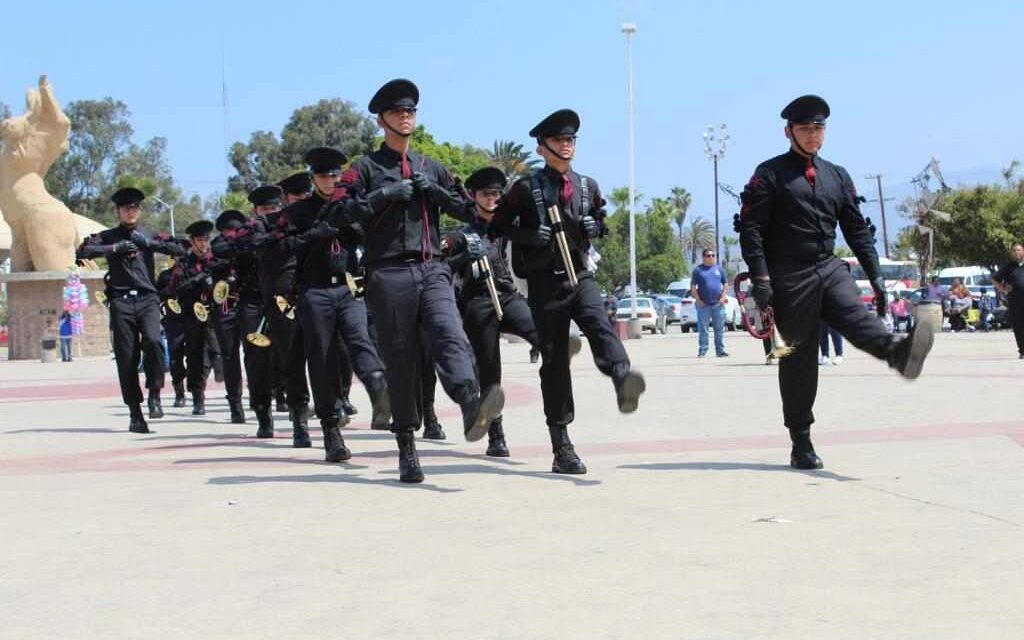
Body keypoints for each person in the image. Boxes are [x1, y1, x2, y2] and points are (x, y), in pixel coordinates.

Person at [738, 94, 934, 470]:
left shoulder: (837, 175)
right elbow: (752, 230)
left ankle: (900, 354)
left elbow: (856, 229)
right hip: (788, 273)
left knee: (856, 317)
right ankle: (801, 441)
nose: (813, 135)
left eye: (818, 128)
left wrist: (875, 275)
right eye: (805, 128)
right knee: (797, 359)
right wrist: (761, 277)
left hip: (828, 266)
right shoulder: (769, 174)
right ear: (788, 131)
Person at [336, 79, 504, 483]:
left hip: (433, 268)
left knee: (450, 334)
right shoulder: (363, 169)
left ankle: (470, 403)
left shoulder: (433, 168)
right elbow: (339, 214)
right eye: (397, 112)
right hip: (388, 272)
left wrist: (438, 194)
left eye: (411, 111)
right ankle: (407, 448)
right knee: (401, 359)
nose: (405, 117)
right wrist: (383, 195)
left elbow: (471, 211)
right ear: (381, 121)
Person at [492, 108, 645, 475]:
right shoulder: (526, 188)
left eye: (571, 139)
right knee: (555, 361)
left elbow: (601, 222)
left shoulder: (587, 185)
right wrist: (528, 235)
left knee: (600, 326)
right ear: (542, 147)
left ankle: (623, 376)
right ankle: (561, 445)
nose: (567, 145)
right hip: (545, 284)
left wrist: (595, 225)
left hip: (580, 276)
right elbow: (497, 226)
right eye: (560, 140)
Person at [280, 146, 391, 462]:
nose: (330, 180)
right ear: (313, 178)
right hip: (313, 292)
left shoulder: (350, 205)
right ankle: (331, 431)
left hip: (347, 286)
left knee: (361, 339)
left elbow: (369, 232)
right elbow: (282, 246)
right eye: (323, 175)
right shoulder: (297, 213)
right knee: (322, 359)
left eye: (334, 175)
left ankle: (379, 390)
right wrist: (313, 234)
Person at [444, 166, 545, 457]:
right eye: (486, 194)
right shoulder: (462, 233)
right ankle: (496, 435)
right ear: (474, 197)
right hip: (477, 302)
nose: (492, 199)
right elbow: (441, 264)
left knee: (539, 329)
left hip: (506, 294)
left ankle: (549, 354)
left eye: (497, 194)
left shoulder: (507, 226)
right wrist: (463, 256)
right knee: (490, 373)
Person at [76, 187, 186, 432]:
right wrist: (114, 249)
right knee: (127, 358)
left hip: (148, 299)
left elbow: (180, 248)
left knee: (155, 343)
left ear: (140, 209)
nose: (131, 211)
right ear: (118, 211)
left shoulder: (148, 233)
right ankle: (135, 413)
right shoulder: (109, 235)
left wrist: (149, 243)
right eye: (126, 208)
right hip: (121, 302)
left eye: (135, 207)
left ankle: (155, 394)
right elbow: (82, 252)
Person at [211, 202, 275, 435]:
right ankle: (236, 404)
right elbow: (218, 252)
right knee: (230, 356)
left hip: (260, 300)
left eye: (235, 229)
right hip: (229, 307)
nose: (231, 233)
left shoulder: (260, 237)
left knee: (262, 354)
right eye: (228, 230)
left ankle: (274, 398)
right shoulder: (223, 244)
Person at [167, 220, 221, 416]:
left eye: (207, 239)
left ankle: (233, 398)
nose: (204, 243)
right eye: (200, 239)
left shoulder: (215, 260)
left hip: (214, 315)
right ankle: (198, 397)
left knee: (218, 353)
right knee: (196, 358)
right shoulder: (183, 265)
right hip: (192, 317)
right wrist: (197, 279)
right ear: (192, 241)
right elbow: (175, 290)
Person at [690, 248, 729, 357]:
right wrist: (699, 300)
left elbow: (726, 284)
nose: (711, 257)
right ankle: (703, 351)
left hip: (718, 304)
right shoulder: (698, 270)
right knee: (703, 329)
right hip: (704, 305)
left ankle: (720, 351)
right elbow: (693, 287)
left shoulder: (719, 269)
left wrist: (723, 297)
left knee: (719, 329)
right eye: (708, 255)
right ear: (704, 257)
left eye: (713, 255)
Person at [992, 242, 1024, 358]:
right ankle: (1022, 350)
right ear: (1011, 253)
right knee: (1018, 326)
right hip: (1015, 301)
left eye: (1019, 250)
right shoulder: (1008, 267)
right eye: (1014, 251)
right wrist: (1003, 288)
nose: (1017, 253)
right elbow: (995, 279)